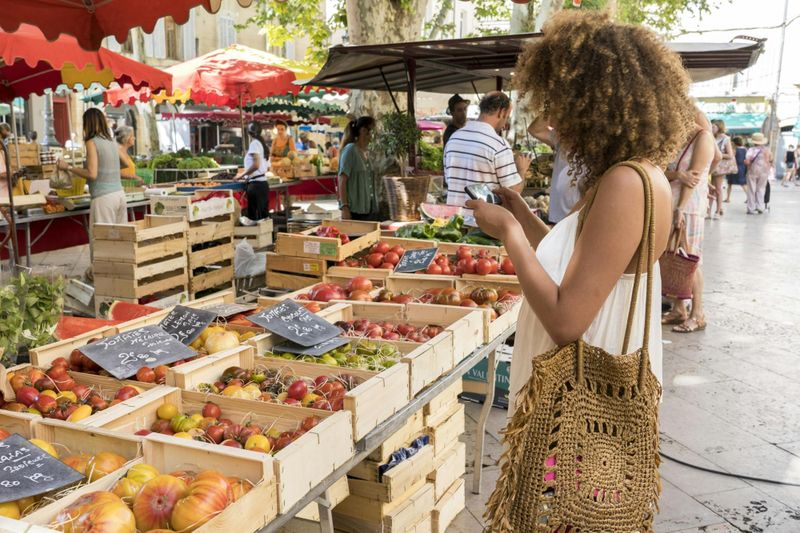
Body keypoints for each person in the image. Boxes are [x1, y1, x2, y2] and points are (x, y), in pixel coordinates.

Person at [467, 7, 693, 444]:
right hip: (594, 379)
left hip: (586, 394)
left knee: (566, 511)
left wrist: (510, 236)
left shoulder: (625, 183)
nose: (554, 120)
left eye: (563, 104)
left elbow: (567, 320)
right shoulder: (637, 174)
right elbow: (586, 259)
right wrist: (521, 214)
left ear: (596, 106)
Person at [661, 124, 715, 333]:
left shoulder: (703, 137)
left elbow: (693, 177)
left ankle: (698, 313)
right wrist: (678, 175)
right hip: (673, 204)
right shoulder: (677, 138)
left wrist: (681, 209)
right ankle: (679, 308)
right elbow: (662, 171)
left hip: (688, 207)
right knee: (674, 258)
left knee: (690, 259)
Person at [57, 108, 127, 269]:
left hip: (104, 198)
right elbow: (125, 163)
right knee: (121, 242)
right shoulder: (111, 141)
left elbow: (92, 174)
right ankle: (120, 281)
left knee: (102, 244)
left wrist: (68, 167)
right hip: (119, 195)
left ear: (87, 123)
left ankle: (103, 284)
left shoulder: (92, 141)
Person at [444, 91, 529, 207]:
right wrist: (522, 170)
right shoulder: (499, 144)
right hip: (484, 222)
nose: (505, 123)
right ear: (501, 112)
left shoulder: (454, 139)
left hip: (455, 219)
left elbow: (449, 180)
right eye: (507, 116)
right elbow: (513, 193)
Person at [528, 114, 581, 223]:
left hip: (576, 219)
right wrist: (551, 109)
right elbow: (534, 130)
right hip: (558, 217)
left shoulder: (598, 147)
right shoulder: (563, 139)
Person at [338, 117, 377, 220]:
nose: (374, 135)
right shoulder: (350, 150)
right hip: (354, 212)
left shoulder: (366, 152)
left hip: (368, 211)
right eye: (372, 130)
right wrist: (344, 208)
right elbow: (342, 180)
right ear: (364, 131)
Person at [237, 122, 270, 221]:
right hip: (262, 184)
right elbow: (266, 167)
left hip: (256, 186)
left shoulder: (254, 144)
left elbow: (256, 165)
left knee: (256, 220)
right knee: (263, 219)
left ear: (248, 132)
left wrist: (241, 175)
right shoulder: (262, 144)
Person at [709, 119, 734, 218]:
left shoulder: (725, 139)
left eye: (714, 126)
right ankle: (708, 211)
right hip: (710, 166)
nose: (712, 128)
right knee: (710, 190)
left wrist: (718, 154)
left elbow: (730, 155)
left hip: (719, 168)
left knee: (718, 189)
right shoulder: (710, 137)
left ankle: (718, 211)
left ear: (719, 127)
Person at [744, 132, 773, 214]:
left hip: (752, 171)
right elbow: (771, 160)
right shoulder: (767, 150)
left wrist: (745, 162)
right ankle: (760, 207)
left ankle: (751, 208)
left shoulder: (751, 150)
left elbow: (747, 161)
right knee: (761, 189)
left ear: (753, 141)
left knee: (751, 190)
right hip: (764, 172)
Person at [725, 136, 747, 202]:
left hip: (734, 167)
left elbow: (731, 157)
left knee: (729, 183)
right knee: (743, 184)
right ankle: (749, 197)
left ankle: (728, 198)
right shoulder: (745, 149)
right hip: (742, 168)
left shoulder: (734, 150)